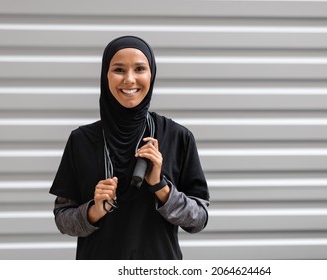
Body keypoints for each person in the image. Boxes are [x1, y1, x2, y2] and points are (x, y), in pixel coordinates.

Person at [49, 35, 210, 260]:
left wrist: (160, 187)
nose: (129, 79)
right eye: (119, 70)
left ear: (151, 75)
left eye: (140, 69)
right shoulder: (81, 140)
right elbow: (62, 219)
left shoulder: (178, 137)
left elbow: (198, 219)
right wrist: (94, 211)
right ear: (106, 75)